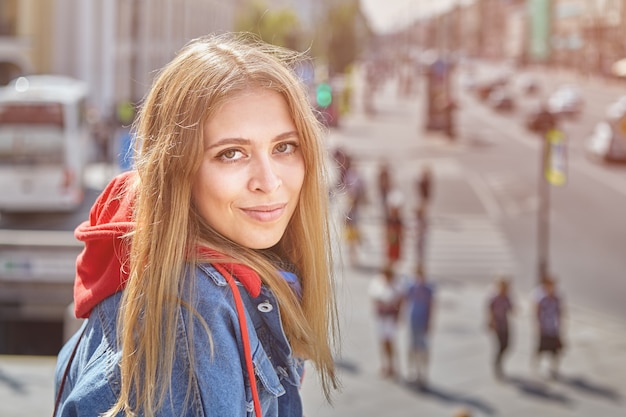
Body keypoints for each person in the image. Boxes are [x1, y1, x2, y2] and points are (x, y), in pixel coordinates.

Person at [53, 33, 339, 417]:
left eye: (284, 147)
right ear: (177, 170)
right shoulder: (190, 315)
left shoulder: (210, 285)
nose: (269, 181)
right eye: (231, 154)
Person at [368, 266, 404, 379]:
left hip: (390, 317)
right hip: (381, 317)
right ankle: (385, 364)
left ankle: (393, 364)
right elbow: (373, 297)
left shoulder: (396, 285)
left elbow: (400, 299)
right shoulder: (377, 282)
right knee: (382, 341)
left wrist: (398, 314)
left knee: (391, 341)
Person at [405, 263, 434, 387]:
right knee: (412, 346)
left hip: (422, 319)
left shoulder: (428, 289)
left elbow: (431, 306)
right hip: (413, 318)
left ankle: (423, 373)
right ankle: (414, 371)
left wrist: (430, 322)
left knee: (423, 348)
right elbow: (406, 301)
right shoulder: (411, 286)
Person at [535, 276, 565, 379]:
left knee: (555, 351)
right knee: (541, 348)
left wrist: (561, 325)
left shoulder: (556, 298)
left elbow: (560, 312)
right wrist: (538, 325)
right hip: (545, 327)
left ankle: (553, 369)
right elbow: (537, 311)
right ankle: (536, 364)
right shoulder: (542, 298)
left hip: (554, 327)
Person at [487, 276, 514, 380]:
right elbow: (490, 310)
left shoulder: (507, 297)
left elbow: (510, 308)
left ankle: (499, 360)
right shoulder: (494, 297)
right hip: (497, 324)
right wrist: (491, 322)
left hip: (505, 324)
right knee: (500, 345)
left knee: (507, 345)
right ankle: (497, 363)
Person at [385, 203, 404, 268]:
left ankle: (391, 267)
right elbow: (387, 229)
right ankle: (390, 267)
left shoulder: (398, 221)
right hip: (391, 239)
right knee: (390, 255)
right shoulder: (390, 220)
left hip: (396, 240)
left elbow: (400, 230)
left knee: (395, 256)